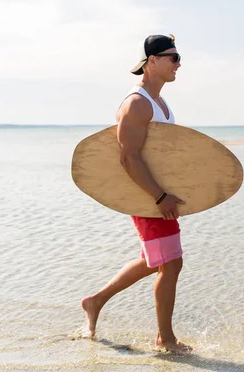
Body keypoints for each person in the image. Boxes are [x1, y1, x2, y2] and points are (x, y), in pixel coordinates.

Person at [81, 34, 193, 355]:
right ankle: (165, 339)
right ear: (152, 61)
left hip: (159, 194)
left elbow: (162, 154)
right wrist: (159, 197)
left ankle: (95, 301)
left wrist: (180, 190)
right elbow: (128, 158)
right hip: (146, 197)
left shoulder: (160, 103)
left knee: (158, 259)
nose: (178, 64)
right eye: (173, 58)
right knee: (171, 262)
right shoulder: (137, 103)